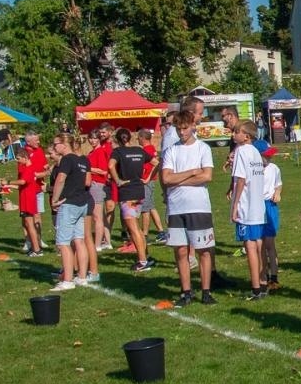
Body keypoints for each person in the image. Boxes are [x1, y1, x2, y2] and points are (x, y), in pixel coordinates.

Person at [161, 110, 217, 307]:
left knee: (204, 250)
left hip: (198, 206)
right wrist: (192, 172)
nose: (181, 132)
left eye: (184, 128)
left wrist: (180, 179)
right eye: (178, 129)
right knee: (181, 251)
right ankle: (186, 291)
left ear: (193, 126)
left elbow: (207, 176)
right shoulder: (171, 151)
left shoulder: (203, 148)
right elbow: (167, 178)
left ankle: (206, 291)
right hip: (176, 207)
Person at [229, 121, 268, 301]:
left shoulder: (241, 151)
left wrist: (235, 205)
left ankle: (255, 288)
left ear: (246, 136)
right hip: (258, 206)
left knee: (250, 246)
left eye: (237, 132)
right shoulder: (255, 153)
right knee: (258, 244)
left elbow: (241, 179)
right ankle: (262, 281)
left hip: (246, 206)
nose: (233, 135)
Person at [48, 134, 92, 291]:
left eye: (56, 144)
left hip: (69, 204)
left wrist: (54, 200)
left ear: (65, 144)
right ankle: (82, 276)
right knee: (79, 240)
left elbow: (60, 179)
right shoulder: (82, 159)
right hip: (82, 203)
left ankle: (67, 280)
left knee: (64, 243)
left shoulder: (67, 159)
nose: (54, 147)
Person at [109, 127, 154, 272]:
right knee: (138, 228)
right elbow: (156, 162)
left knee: (133, 229)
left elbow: (110, 165)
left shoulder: (117, 152)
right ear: (130, 138)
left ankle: (142, 261)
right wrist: (147, 177)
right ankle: (145, 256)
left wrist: (118, 181)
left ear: (117, 140)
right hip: (139, 191)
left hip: (127, 193)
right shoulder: (139, 150)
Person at [86, 126, 115, 252]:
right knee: (100, 216)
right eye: (90, 139)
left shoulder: (100, 152)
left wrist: (88, 168)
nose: (92, 141)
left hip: (97, 184)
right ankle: (107, 242)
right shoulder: (91, 153)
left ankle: (97, 244)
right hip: (93, 184)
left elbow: (104, 171)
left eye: (94, 138)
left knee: (97, 217)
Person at [14, 143, 44, 255]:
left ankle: (36, 249)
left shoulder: (29, 169)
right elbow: (22, 185)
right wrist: (7, 186)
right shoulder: (25, 169)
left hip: (28, 201)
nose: (17, 161)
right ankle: (35, 248)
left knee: (29, 224)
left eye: (18, 159)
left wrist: (8, 182)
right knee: (28, 224)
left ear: (25, 157)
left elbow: (22, 182)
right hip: (25, 199)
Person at [260, 142, 281, 290]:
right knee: (259, 245)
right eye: (266, 155)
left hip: (269, 206)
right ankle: (263, 275)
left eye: (270, 155)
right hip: (256, 207)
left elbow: (278, 184)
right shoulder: (254, 169)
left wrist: (278, 192)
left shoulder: (274, 169)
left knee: (269, 244)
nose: (270, 157)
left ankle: (274, 276)